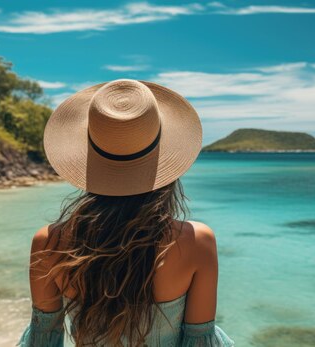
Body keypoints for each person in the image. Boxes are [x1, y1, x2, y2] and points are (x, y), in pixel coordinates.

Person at [17, 79, 234, 346]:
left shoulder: (49, 243)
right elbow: (199, 341)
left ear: (88, 159)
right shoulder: (197, 242)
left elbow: (43, 341)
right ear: (165, 160)